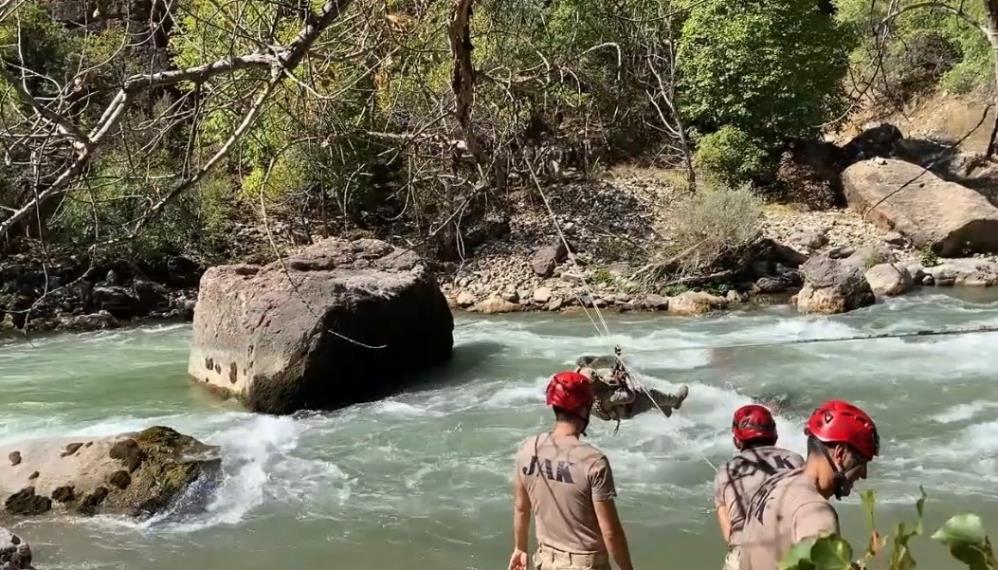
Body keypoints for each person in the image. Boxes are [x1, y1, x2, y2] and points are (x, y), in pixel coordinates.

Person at [509, 371, 634, 570]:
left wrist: (520, 548)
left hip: (545, 562)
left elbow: (521, 508)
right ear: (584, 410)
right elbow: (610, 532)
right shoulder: (593, 462)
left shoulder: (527, 449)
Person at [738, 400, 880, 570]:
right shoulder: (816, 512)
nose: (863, 474)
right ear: (840, 454)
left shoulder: (773, 483)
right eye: (861, 462)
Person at [714, 404, 804, 570]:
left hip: (745, 554)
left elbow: (729, 534)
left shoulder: (725, 471)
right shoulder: (796, 460)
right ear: (774, 434)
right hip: (792, 550)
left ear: (736, 439)